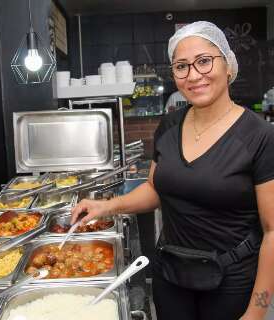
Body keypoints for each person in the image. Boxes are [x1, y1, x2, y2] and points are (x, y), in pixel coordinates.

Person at [71, 21, 274, 320]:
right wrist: (106, 207)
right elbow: (154, 188)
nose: (194, 75)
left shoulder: (259, 136)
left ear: (228, 65)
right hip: (171, 274)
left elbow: (272, 231)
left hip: (230, 281)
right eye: (182, 66)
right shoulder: (169, 125)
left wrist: (258, 309)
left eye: (204, 61)